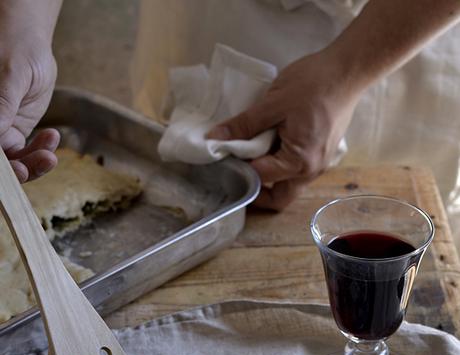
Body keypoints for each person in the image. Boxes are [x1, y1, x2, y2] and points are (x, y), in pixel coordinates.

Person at [2, 0, 460, 215]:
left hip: (407, 36)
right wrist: (23, 26)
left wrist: (348, 71)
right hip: (225, 20)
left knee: (400, 265)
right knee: (189, 195)